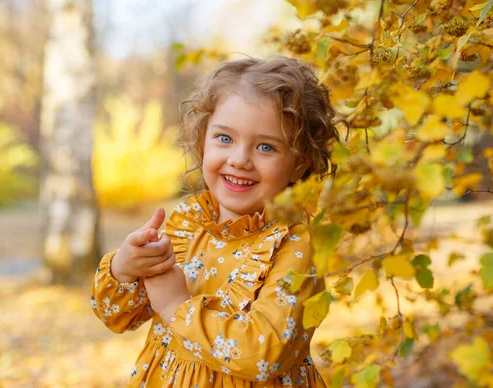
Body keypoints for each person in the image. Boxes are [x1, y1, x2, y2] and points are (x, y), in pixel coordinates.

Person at [91, 56, 339, 387]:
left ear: (299, 163)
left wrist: (177, 306)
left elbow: (264, 355)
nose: (239, 160)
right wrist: (125, 269)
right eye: (224, 138)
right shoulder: (187, 223)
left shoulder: (295, 246)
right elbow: (116, 318)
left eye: (266, 147)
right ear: (203, 138)